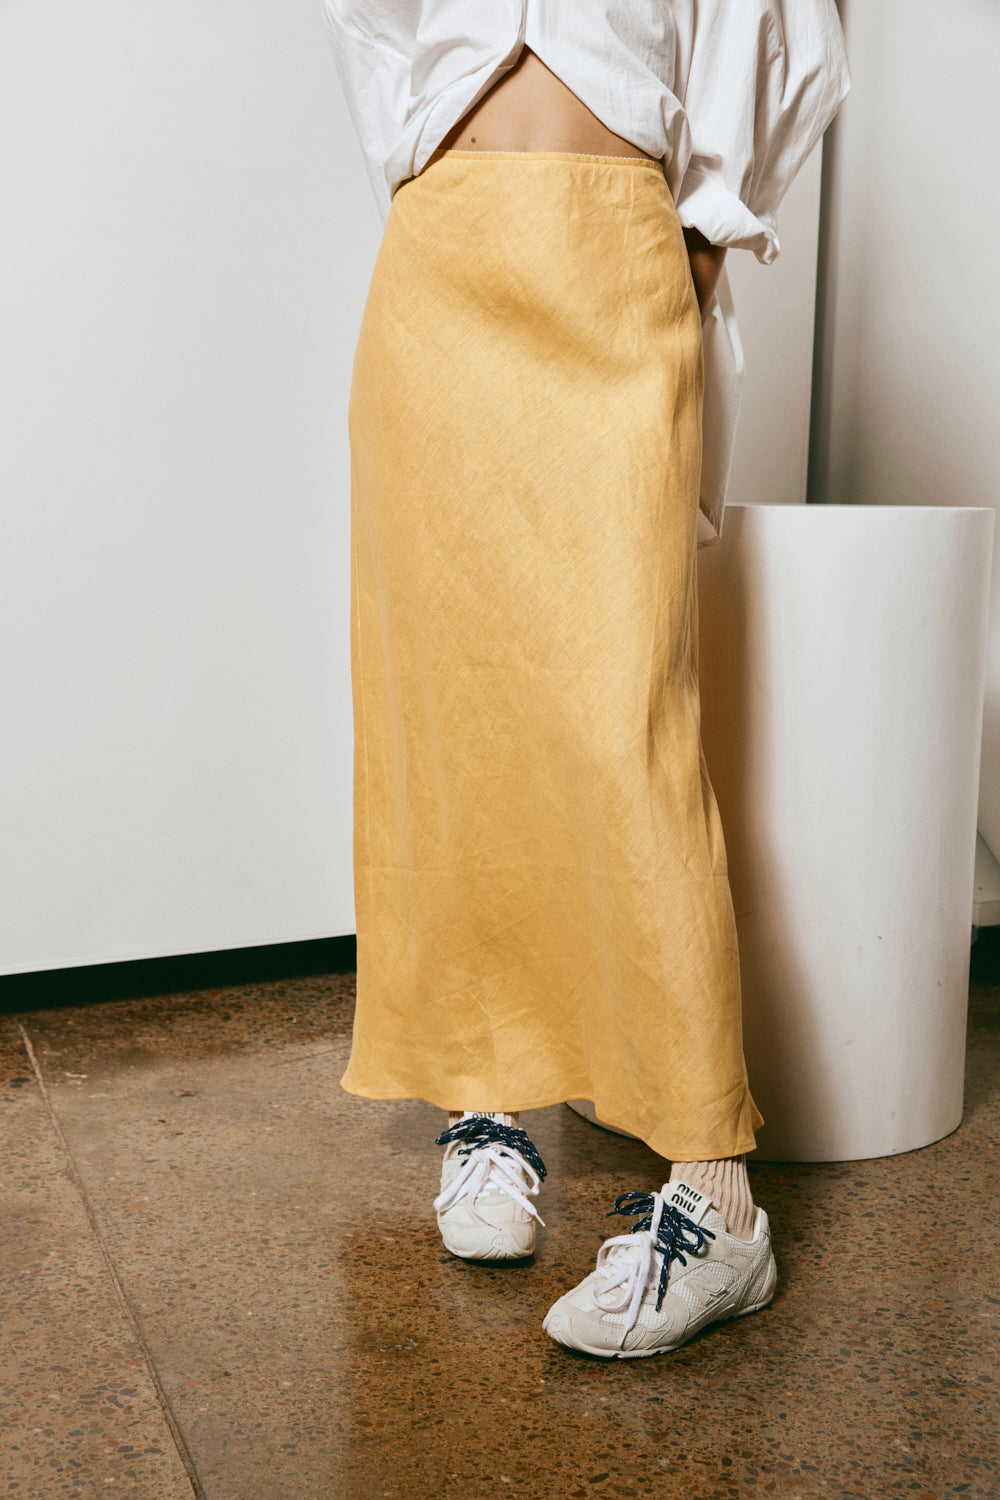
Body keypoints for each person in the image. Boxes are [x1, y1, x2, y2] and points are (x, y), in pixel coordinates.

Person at [322, 2, 850, 1359]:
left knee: (623, 719)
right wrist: (425, 177)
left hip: (615, 247)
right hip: (438, 257)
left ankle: (719, 1203)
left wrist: (701, 235)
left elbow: (787, 30)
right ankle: (484, 1107)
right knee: (447, 700)